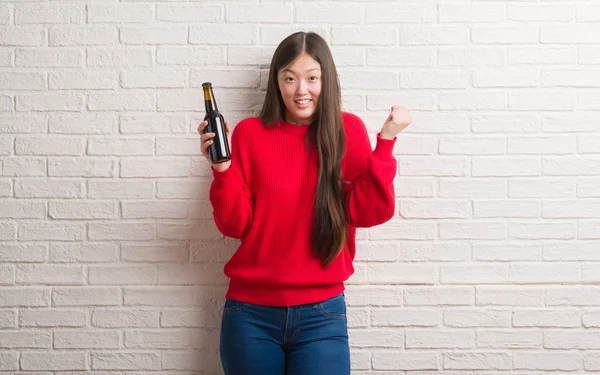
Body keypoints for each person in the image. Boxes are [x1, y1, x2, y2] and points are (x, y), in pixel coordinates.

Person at [197, 31, 411, 375]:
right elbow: (234, 225)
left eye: (312, 78)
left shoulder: (347, 129)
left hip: (322, 314)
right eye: (290, 78)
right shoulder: (248, 134)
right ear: (276, 82)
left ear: (326, 80)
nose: (301, 90)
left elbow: (369, 211)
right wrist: (222, 168)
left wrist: (385, 143)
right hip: (250, 314)